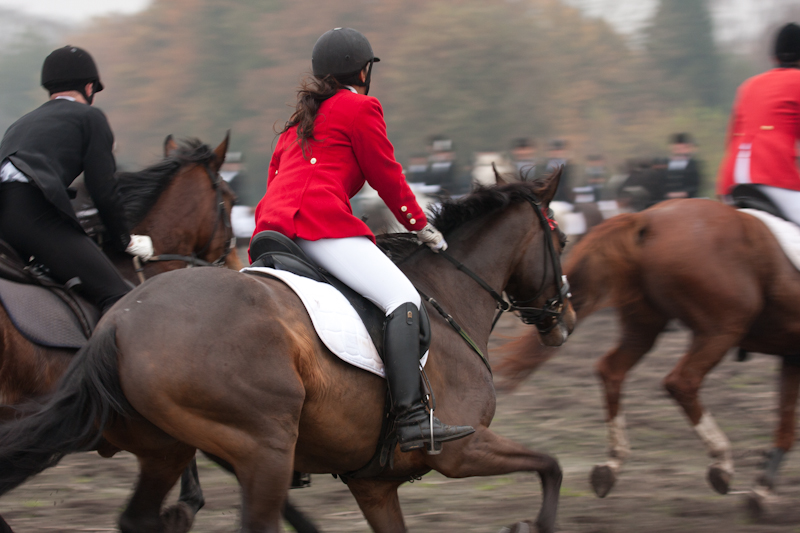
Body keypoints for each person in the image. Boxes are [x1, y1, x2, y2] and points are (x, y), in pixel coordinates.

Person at [251, 28, 474, 452]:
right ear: (362, 70)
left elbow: (274, 181)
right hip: (318, 225)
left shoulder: (295, 125)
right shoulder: (360, 107)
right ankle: (411, 419)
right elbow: (385, 173)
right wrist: (417, 223)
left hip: (272, 229)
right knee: (402, 301)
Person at [0, 46, 152, 312]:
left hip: (3, 213)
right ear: (90, 88)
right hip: (34, 215)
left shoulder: (22, 122)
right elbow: (103, 189)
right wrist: (124, 239)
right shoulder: (91, 117)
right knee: (118, 298)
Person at [717, 23, 800, 223]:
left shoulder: (748, 85)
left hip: (732, 182)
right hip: (774, 175)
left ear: (774, 57)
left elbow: (731, 139)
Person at [663, 133, 702, 200]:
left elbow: (696, 184)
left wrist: (685, 193)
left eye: (682, 148)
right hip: (666, 199)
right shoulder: (665, 163)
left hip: (687, 199)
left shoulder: (693, 164)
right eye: (677, 148)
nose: (679, 150)